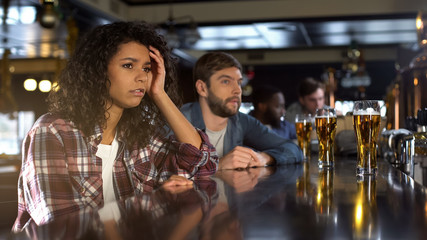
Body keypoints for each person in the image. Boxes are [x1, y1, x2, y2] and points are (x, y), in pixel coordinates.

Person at [13, 21, 218, 232]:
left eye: (146, 69)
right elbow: (65, 227)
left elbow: (202, 164)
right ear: (99, 70)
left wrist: (160, 94)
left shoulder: (137, 136)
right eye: (128, 65)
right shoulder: (52, 131)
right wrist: (149, 203)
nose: (142, 77)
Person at [180, 52, 302, 170]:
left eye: (239, 82)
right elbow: (163, 171)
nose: (237, 90)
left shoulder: (241, 121)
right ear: (202, 88)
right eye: (226, 81)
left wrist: (265, 158)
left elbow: (293, 149)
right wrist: (219, 166)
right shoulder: (179, 120)